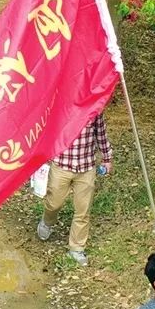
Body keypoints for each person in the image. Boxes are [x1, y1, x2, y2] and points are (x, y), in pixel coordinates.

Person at [35, 112, 113, 266]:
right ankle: (47, 221)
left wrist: (107, 158)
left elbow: (101, 133)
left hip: (86, 168)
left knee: (83, 211)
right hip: (61, 165)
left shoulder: (95, 108)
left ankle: (76, 248)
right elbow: (46, 130)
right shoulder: (61, 105)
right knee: (54, 203)